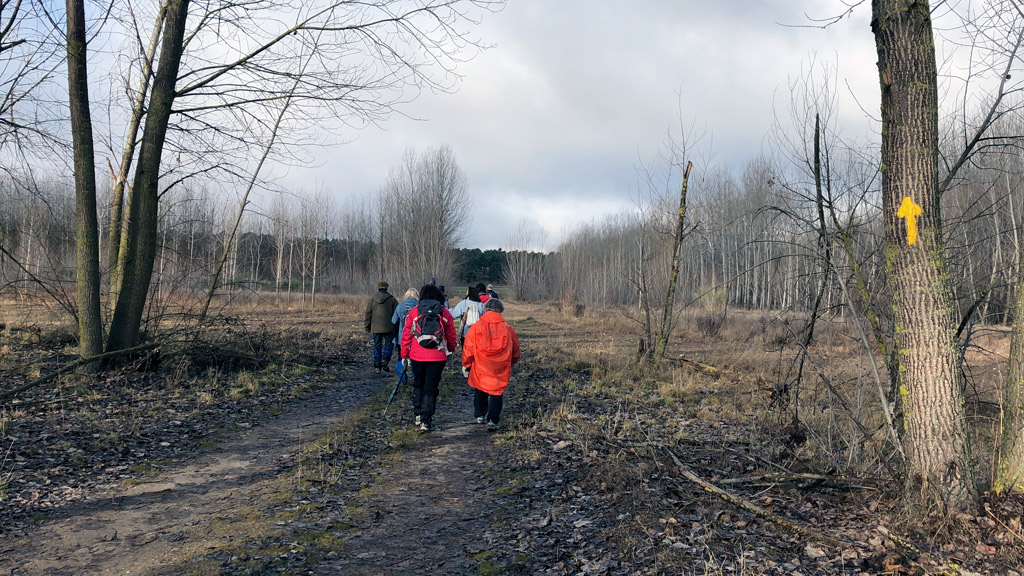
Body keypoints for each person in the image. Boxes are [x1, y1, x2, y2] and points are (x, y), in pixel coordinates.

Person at [400, 284, 457, 432]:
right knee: (431, 388)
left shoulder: (415, 311)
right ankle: (426, 420)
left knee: (418, 384)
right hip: (437, 356)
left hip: (417, 355)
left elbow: (407, 334)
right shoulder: (444, 312)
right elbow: (451, 334)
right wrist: (450, 349)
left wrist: (404, 355)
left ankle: (418, 413)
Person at [462, 298, 520, 431]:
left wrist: (466, 364)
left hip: (481, 365)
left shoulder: (476, 327)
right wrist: (512, 362)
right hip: (500, 367)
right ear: (501, 310)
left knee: (480, 388)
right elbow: (516, 350)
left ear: (486, 308)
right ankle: (493, 419)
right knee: (497, 391)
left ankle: (480, 414)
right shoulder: (507, 329)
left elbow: (468, 347)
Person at [365, 281, 398, 374]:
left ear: (378, 288)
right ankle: (385, 359)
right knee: (389, 344)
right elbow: (397, 313)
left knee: (377, 346)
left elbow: (368, 313)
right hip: (389, 327)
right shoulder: (392, 299)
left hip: (376, 327)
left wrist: (367, 326)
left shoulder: (372, 299)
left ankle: (377, 366)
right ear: (387, 288)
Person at [392, 288, 419, 381]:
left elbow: (393, 321)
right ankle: (415, 376)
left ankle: (402, 378)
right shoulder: (419, 306)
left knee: (400, 356)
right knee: (416, 358)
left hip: (401, 338)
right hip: (416, 338)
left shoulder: (400, 306)